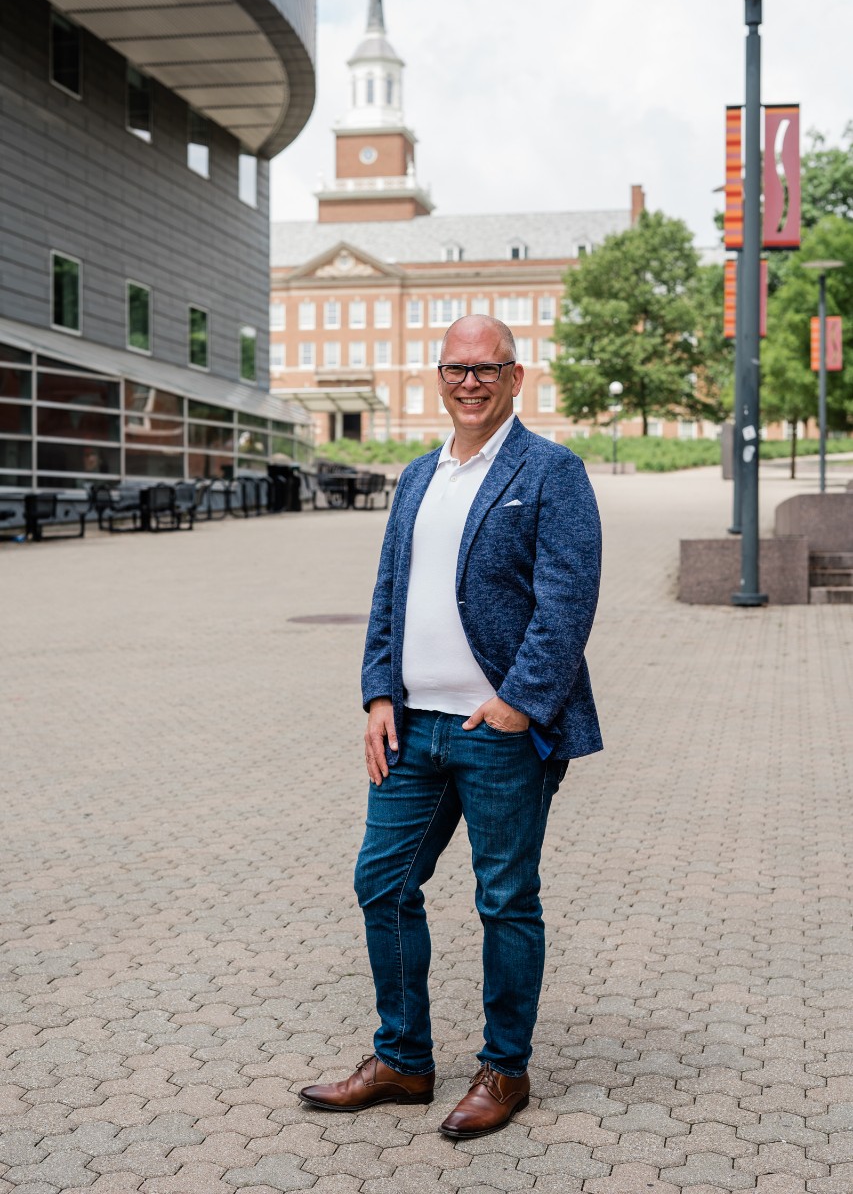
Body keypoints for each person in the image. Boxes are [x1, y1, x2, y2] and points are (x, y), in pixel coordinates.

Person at [300, 314, 602, 1137]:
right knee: (383, 884)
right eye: (456, 369)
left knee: (505, 899)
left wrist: (521, 702)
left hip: (496, 729)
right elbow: (388, 592)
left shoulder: (550, 471)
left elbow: (567, 600)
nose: (470, 382)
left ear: (514, 377)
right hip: (412, 729)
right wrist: (376, 694)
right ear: (439, 377)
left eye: (487, 368)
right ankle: (403, 1060)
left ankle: (504, 1071)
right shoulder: (417, 475)